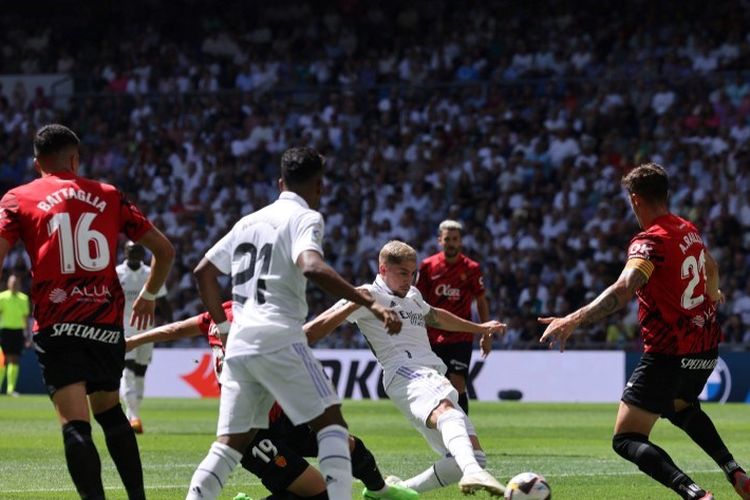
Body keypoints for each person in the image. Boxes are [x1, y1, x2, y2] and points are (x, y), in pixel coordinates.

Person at [186, 147, 401, 500]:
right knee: (332, 425)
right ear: (319, 186)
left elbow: (203, 272)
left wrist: (224, 329)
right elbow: (312, 266)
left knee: (229, 444)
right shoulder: (305, 217)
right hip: (279, 336)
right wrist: (369, 301)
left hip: (239, 344)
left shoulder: (247, 221)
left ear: (280, 182)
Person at [539, 163, 750, 500]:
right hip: (706, 348)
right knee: (681, 407)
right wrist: (712, 294)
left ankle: (695, 494)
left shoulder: (649, 242)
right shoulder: (688, 229)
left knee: (626, 439)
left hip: (669, 353)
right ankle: (734, 471)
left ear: (635, 199)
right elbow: (711, 266)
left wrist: (572, 319)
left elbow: (623, 289)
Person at [0, 124, 175, 499]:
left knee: (75, 424)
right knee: (110, 412)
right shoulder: (109, 195)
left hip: (57, 323)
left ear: (36, 163)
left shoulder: (17, 198)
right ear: (75, 159)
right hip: (106, 325)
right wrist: (149, 294)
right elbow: (165, 251)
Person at [126, 300, 419, 500]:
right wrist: (353, 303)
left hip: (285, 416)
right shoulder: (251, 324)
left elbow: (177, 329)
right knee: (319, 494)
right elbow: (310, 334)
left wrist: (134, 341)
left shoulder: (222, 315)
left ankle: (380, 492)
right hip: (253, 432)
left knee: (348, 444)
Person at [305, 240, 506, 497]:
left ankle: (396, 491)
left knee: (473, 454)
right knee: (446, 411)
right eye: (402, 273)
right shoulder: (366, 293)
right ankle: (472, 472)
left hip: (429, 372)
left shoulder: (412, 295)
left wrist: (480, 327)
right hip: (404, 369)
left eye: (413, 273)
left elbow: (436, 316)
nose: (409, 280)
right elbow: (315, 328)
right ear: (383, 269)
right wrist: (354, 304)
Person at [416, 219, 490, 415]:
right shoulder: (427, 267)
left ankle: (465, 432)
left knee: (458, 383)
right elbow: (416, 299)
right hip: (432, 336)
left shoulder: (472, 268)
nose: (451, 243)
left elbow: (481, 301)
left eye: (455, 239)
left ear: (461, 241)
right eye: (447, 239)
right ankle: (443, 429)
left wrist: (486, 333)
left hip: (461, 336)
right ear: (440, 240)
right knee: (437, 387)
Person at [117, 240, 173, 433]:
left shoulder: (151, 272)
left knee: (140, 373)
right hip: (124, 329)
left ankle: (134, 412)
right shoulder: (117, 273)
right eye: (131, 250)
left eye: (138, 250)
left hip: (147, 329)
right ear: (125, 252)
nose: (135, 253)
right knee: (128, 370)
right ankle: (133, 416)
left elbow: (162, 299)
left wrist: (170, 322)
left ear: (143, 253)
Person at [0, 274, 30, 396]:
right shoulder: (2, 297)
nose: (14, 285)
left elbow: (25, 318)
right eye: (12, 283)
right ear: (8, 284)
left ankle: (10, 389)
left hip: (17, 332)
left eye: (16, 283)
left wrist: (27, 335)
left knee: (15, 359)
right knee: (2, 360)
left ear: (19, 284)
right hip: (4, 331)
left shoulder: (23, 298)